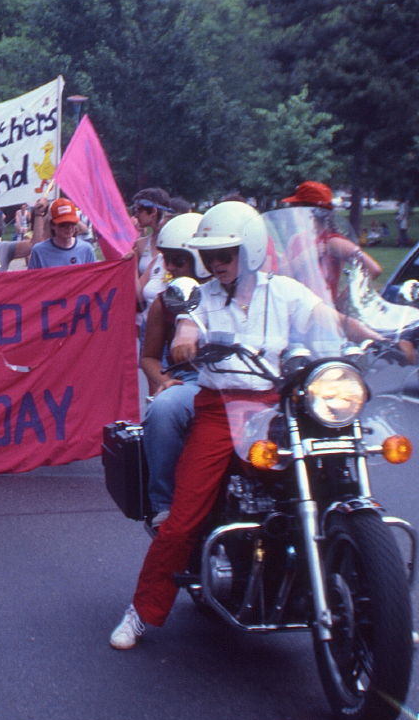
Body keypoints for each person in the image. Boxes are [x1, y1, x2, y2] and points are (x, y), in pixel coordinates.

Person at [110, 200, 342, 649]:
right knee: (183, 518)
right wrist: (186, 338)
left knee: (331, 478)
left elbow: (326, 318)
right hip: (221, 408)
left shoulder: (286, 292)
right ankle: (141, 610)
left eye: (225, 253)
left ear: (250, 249)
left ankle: (370, 597)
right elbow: (186, 329)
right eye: (210, 255)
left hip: (280, 406)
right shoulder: (203, 297)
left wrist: (379, 336)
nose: (215, 263)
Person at [137, 213, 207, 524]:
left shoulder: (234, 291)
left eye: (179, 260)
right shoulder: (164, 302)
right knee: (164, 409)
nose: (170, 268)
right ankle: (165, 504)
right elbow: (149, 357)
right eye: (167, 259)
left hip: (246, 379)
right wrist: (164, 381)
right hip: (191, 380)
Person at [279, 181, 383, 300]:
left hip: (322, 313)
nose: (294, 212)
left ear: (310, 211)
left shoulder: (332, 242)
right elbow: (280, 274)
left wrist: (344, 298)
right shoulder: (297, 239)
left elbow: (373, 269)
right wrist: (307, 256)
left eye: (296, 207)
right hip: (293, 311)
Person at [27, 198, 97, 269]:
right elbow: (32, 278)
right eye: (63, 224)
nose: (69, 227)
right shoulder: (39, 251)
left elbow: (94, 277)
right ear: (52, 225)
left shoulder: (86, 249)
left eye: (72, 223)